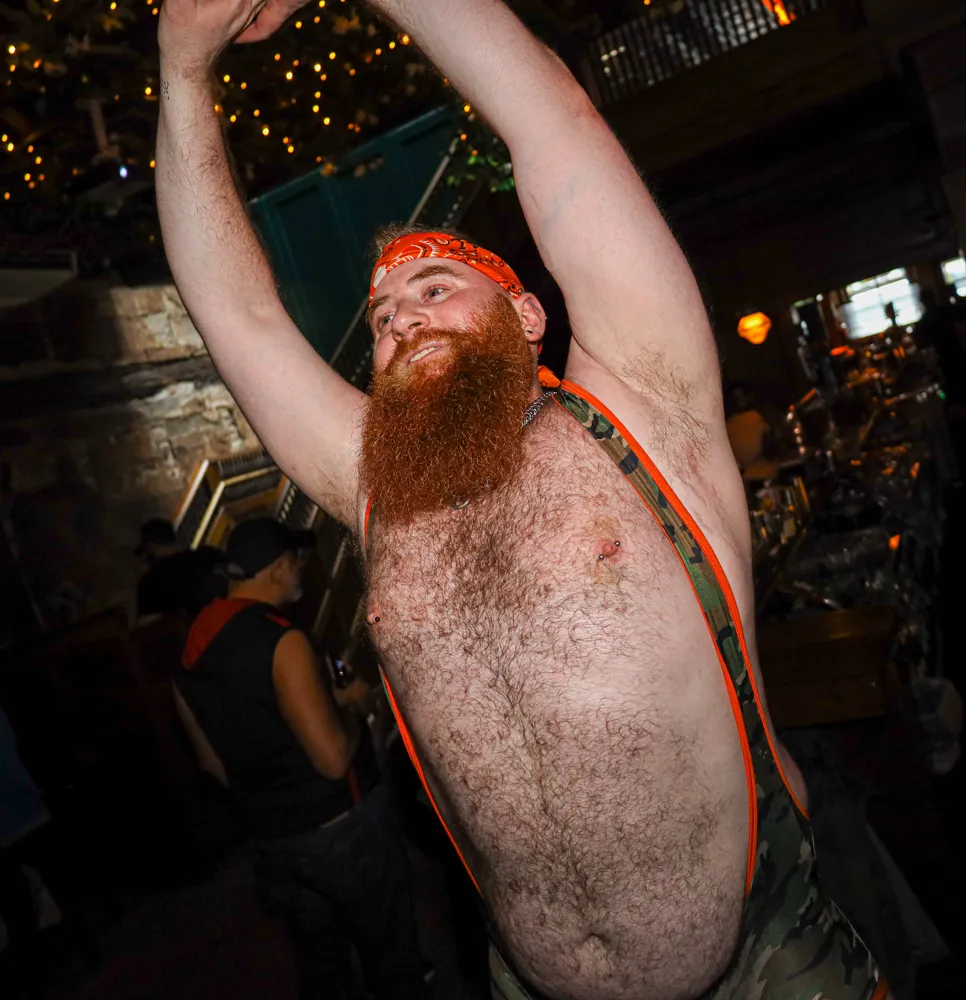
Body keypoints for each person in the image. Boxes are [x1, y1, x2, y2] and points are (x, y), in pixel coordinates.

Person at [155, 2, 890, 998]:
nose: (403, 320)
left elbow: (553, 121)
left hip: (766, 962)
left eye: (435, 289)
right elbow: (235, 315)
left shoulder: (640, 402)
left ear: (528, 313)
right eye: (382, 317)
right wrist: (182, 59)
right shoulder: (380, 490)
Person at [173, 517, 425, 1000]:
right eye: (295, 561)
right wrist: (352, 707)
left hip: (272, 844)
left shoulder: (190, 654)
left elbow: (215, 764)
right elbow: (332, 759)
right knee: (393, 963)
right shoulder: (281, 639)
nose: (300, 571)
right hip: (340, 834)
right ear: (276, 567)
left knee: (323, 971)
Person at [135, 517, 227, 619]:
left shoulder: (150, 583)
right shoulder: (209, 556)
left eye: (139, 551)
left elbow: (148, 623)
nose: (141, 558)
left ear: (151, 546)